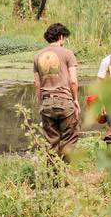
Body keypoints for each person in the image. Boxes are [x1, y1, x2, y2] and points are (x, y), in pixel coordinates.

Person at [33, 23, 79, 163]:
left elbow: (37, 84)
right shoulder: (68, 54)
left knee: (50, 142)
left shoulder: (38, 56)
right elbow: (73, 81)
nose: (64, 41)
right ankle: (63, 173)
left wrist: (41, 103)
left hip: (46, 102)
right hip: (65, 101)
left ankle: (53, 176)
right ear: (60, 36)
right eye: (64, 38)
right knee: (69, 138)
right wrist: (75, 99)